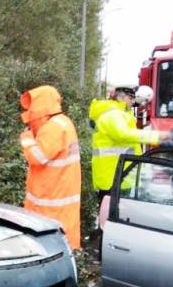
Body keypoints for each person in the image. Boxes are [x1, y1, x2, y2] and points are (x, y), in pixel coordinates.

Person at [19, 85, 81, 249]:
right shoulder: (63, 122)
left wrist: (26, 138)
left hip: (50, 200)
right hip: (59, 196)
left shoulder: (52, 128)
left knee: (47, 246)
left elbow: (37, 157)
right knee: (62, 244)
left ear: (41, 104)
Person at [89, 85, 161, 202]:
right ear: (121, 98)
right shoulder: (114, 114)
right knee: (111, 214)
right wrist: (156, 136)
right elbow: (123, 134)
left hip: (117, 174)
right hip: (114, 176)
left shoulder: (118, 112)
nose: (133, 101)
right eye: (131, 98)